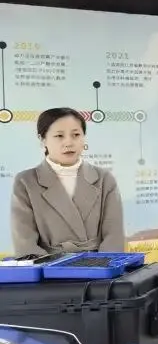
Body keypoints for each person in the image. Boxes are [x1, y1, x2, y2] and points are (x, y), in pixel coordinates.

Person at [10, 107, 125, 256]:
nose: (69, 142)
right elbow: (25, 243)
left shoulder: (104, 178)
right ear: (43, 139)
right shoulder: (26, 182)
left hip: (99, 266)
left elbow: (114, 236)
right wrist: (54, 268)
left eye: (76, 135)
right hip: (49, 266)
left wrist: (102, 265)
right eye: (59, 136)